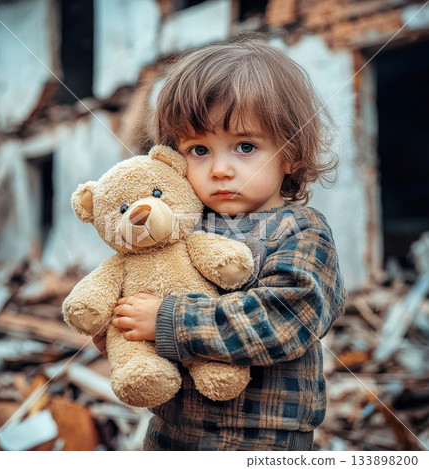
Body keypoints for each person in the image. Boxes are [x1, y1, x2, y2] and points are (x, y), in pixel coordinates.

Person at [93, 33, 346, 451]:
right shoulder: (179, 229)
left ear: (292, 152)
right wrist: (119, 327)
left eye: (245, 146)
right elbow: (140, 292)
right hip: (171, 431)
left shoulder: (301, 231)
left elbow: (284, 320)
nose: (220, 169)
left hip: (264, 438)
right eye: (198, 149)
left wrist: (170, 321)